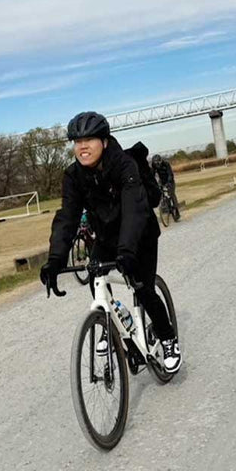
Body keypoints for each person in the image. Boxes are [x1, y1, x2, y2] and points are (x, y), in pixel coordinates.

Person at [40, 111, 181, 373]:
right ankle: (111, 317)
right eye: (76, 141)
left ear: (104, 141)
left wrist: (127, 251)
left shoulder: (124, 165)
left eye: (89, 140)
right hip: (106, 235)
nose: (82, 147)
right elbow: (67, 217)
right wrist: (55, 259)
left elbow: (134, 209)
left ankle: (168, 337)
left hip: (139, 233)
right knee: (96, 276)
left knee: (143, 287)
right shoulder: (73, 176)